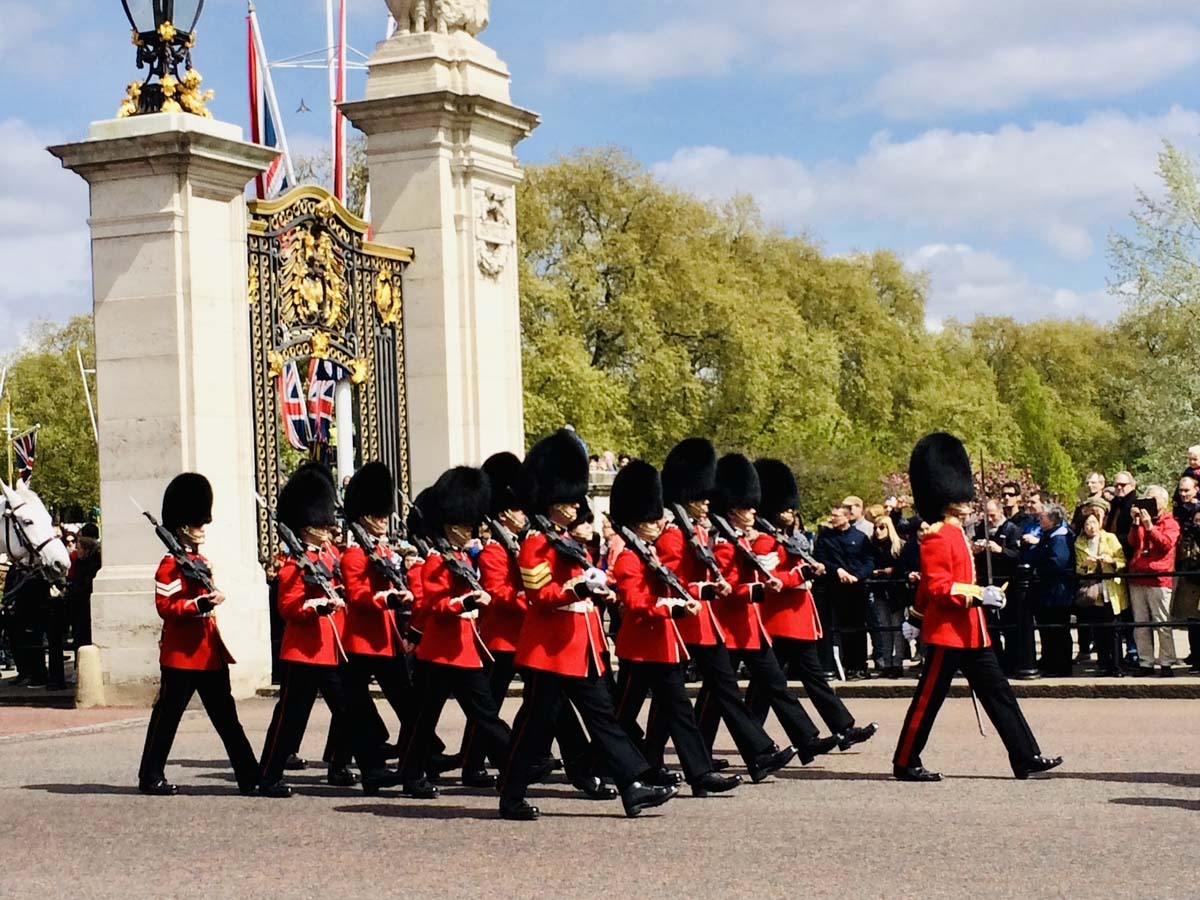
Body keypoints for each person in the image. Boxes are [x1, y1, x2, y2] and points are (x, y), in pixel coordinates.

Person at [498, 429, 677, 821]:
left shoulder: (565, 541)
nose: (572, 506)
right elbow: (540, 598)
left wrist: (597, 588)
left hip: (580, 647)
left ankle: (633, 787)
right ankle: (510, 795)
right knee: (533, 728)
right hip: (550, 651)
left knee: (605, 719)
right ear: (548, 499)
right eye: (565, 500)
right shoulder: (533, 544)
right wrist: (578, 586)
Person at [893, 432, 1061, 782]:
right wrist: (976, 595)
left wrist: (921, 612)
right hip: (948, 633)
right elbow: (938, 587)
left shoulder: (956, 534)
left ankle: (1025, 755)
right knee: (928, 700)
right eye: (960, 495)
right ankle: (905, 760)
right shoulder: (939, 535)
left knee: (999, 693)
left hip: (972, 632)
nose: (968, 500)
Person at [648, 438, 796, 783]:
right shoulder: (673, 537)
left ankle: (756, 755)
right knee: (675, 698)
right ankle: (754, 752)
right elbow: (673, 583)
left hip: (704, 623)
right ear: (687, 497)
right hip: (687, 623)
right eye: (700, 498)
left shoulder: (699, 532)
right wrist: (709, 589)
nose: (706, 503)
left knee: (713, 692)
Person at [257, 463, 393, 797]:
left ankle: (372, 771)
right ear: (305, 526)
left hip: (333, 647)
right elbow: (288, 607)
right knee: (291, 717)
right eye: (318, 522)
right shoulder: (294, 563)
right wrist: (313, 607)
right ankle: (269, 775)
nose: (325, 526)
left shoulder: (332, 555)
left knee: (351, 711)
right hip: (304, 650)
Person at [608, 460, 742, 798]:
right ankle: (600, 764)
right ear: (639, 523)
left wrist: (703, 592)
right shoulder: (627, 558)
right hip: (639, 648)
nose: (661, 522)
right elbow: (638, 603)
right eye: (654, 520)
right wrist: (673, 608)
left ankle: (700, 774)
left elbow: (676, 587)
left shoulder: (648, 553)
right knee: (621, 716)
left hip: (663, 646)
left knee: (680, 710)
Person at [703, 453, 839, 762]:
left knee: (776, 686)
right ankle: (704, 754)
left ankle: (806, 740)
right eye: (746, 507)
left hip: (751, 628)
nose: (753, 511)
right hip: (729, 627)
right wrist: (760, 587)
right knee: (717, 696)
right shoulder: (725, 545)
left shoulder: (744, 541)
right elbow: (729, 589)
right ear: (732, 510)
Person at [136, 473, 259, 796]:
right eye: (197, 523)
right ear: (182, 526)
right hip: (181, 655)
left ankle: (249, 775)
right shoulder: (169, 565)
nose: (203, 528)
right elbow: (166, 606)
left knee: (227, 718)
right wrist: (199, 603)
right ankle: (150, 775)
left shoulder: (199, 561)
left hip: (208, 652)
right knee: (167, 719)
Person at [395, 466, 513, 797]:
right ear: (449, 525)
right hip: (439, 651)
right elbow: (433, 604)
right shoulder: (436, 561)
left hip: (464, 650)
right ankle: (412, 775)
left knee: (487, 716)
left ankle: (512, 766)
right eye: (464, 525)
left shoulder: (461, 557)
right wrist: (462, 603)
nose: (470, 529)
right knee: (424, 719)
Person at [751, 458, 878, 745]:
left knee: (805, 679)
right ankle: (753, 738)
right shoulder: (763, 541)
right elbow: (771, 578)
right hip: (780, 619)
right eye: (785, 509)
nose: (791, 513)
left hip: (796, 618)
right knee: (768, 685)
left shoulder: (783, 538)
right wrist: (805, 572)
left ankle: (843, 728)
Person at [333, 462, 418, 778]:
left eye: (384, 514)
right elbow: (357, 596)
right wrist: (388, 598)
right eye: (378, 515)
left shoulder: (385, 552)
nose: (383, 520)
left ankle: (419, 754)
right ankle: (371, 768)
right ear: (364, 517)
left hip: (386, 638)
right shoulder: (355, 555)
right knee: (355, 707)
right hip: (361, 639)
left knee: (403, 703)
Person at [814, 503, 875, 678]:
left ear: (847, 517)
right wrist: (837, 571)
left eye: (837, 516)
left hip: (856, 588)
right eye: (832, 515)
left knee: (857, 629)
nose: (832, 519)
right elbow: (821, 559)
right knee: (832, 629)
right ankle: (833, 666)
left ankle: (858, 667)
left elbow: (869, 560)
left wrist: (858, 576)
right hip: (833, 588)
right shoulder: (825, 538)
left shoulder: (860, 537)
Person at [1127, 485, 1180, 676]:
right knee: (1140, 624)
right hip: (1138, 577)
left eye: (1154, 500)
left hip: (1159, 578)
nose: (1149, 503)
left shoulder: (1171, 523)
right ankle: (1145, 662)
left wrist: (1150, 526)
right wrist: (1135, 522)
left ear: (1163, 503)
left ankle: (1166, 662)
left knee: (1162, 623)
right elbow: (1132, 542)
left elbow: (1165, 544)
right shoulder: (1140, 521)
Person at [1074, 509, 1127, 677]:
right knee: (1098, 629)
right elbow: (1077, 568)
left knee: (1114, 629)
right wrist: (1085, 564)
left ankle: (1117, 665)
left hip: (1111, 587)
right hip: (1093, 589)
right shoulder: (1079, 543)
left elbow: (1122, 560)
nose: (1091, 527)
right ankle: (1103, 664)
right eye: (1087, 524)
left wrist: (1111, 561)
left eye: (1094, 523)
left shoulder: (1110, 538)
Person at [972, 499, 1022, 670]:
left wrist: (1000, 550)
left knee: (1009, 626)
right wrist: (976, 549)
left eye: (992, 516)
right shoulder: (981, 529)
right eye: (987, 516)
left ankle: (1012, 662)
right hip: (986, 582)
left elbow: (1017, 556)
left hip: (1006, 583)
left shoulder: (1012, 530)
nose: (990, 520)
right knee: (990, 625)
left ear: (1000, 512)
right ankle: (996, 661)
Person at [1030, 504, 1076, 677]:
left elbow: (1058, 562)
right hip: (1047, 591)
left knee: (1058, 629)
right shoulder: (1048, 536)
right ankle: (1049, 660)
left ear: (1053, 519)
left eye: (1043, 517)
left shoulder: (1060, 538)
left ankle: (1061, 665)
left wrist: (1038, 570)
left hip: (1058, 592)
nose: (1039, 520)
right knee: (1047, 628)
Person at [869, 513, 907, 678]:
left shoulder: (899, 546)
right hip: (879, 591)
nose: (878, 531)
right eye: (876, 528)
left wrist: (893, 571)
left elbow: (903, 567)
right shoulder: (872, 546)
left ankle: (897, 663)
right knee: (883, 628)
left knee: (897, 628)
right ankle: (887, 663)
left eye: (882, 527)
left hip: (895, 593)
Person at [66, 523, 101, 652]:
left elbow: (85, 585)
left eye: (79, 547)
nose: (77, 550)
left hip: (85, 606)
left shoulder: (93, 563)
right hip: (78, 607)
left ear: (86, 550)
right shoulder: (79, 561)